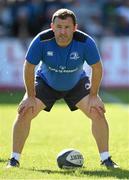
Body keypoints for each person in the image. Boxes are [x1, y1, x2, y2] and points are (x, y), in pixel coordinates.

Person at [7, 8, 119, 169]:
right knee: (25, 111)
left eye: (67, 27)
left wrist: (94, 96)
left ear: (75, 28)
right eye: (59, 27)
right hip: (46, 82)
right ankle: (14, 160)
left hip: (76, 83)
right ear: (52, 27)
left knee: (97, 111)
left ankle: (106, 159)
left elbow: (97, 68)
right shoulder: (41, 41)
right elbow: (29, 67)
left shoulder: (86, 42)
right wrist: (30, 96)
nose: (63, 32)